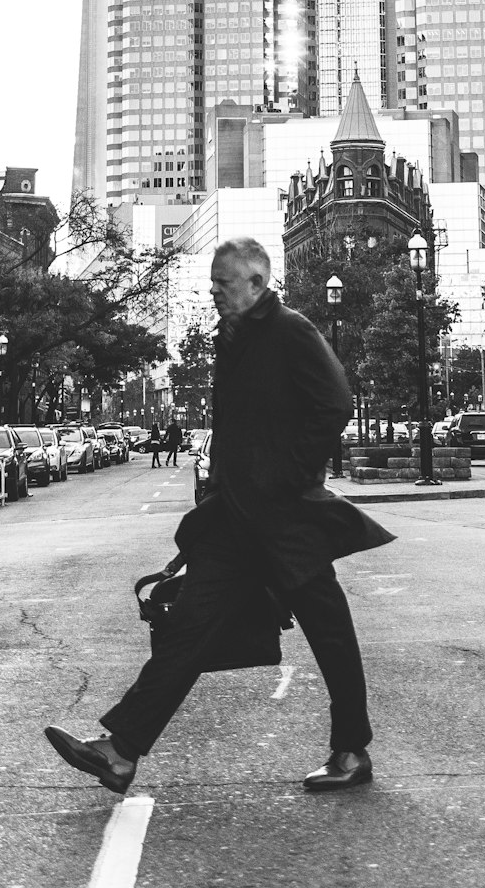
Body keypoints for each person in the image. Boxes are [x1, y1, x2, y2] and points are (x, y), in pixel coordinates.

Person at [45, 236, 395, 796]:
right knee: (187, 627)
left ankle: (352, 752)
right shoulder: (234, 338)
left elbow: (335, 404)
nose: (212, 291)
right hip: (236, 519)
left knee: (330, 631)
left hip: (284, 518)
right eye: (211, 281)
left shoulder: (292, 331)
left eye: (222, 282)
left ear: (256, 283)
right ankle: (121, 752)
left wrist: (289, 477)